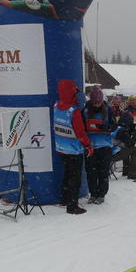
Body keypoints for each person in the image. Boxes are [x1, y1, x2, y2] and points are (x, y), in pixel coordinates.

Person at [54, 79, 93, 214]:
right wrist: (88, 145)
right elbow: (80, 132)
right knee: (75, 178)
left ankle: (64, 199)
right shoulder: (74, 111)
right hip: (74, 150)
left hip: (61, 148)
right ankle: (72, 206)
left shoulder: (56, 107)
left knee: (67, 174)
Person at [83, 86, 115, 204]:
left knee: (103, 172)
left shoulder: (108, 109)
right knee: (91, 172)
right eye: (94, 102)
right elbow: (81, 127)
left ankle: (101, 194)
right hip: (90, 146)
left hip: (105, 145)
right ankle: (93, 194)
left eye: (99, 102)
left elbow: (114, 126)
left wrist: (106, 127)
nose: (97, 105)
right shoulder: (85, 110)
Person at [111, 109, 136, 180]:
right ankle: (132, 173)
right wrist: (135, 131)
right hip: (113, 155)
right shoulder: (123, 132)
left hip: (109, 153)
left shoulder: (117, 128)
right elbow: (131, 143)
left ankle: (126, 171)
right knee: (134, 149)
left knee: (125, 148)